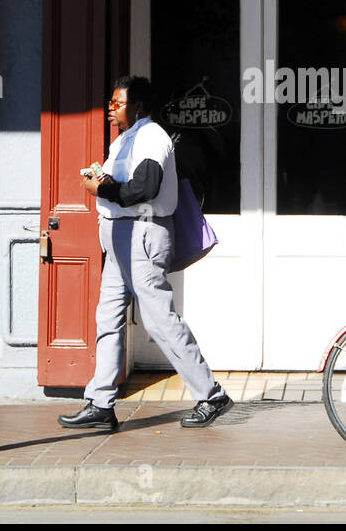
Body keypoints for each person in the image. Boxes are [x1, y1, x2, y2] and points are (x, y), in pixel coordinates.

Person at [59, 75, 233, 432]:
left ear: (138, 106)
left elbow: (146, 186)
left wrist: (102, 189)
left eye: (117, 102)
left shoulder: (152, 136)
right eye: (111, 102)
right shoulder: (125, 139)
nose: (111, 108)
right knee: (108, 317)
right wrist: (102, 180)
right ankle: (101, 403)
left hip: (141, 232)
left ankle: (212, 394)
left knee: (158, 319)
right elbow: (126, 185)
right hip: (121, 235)